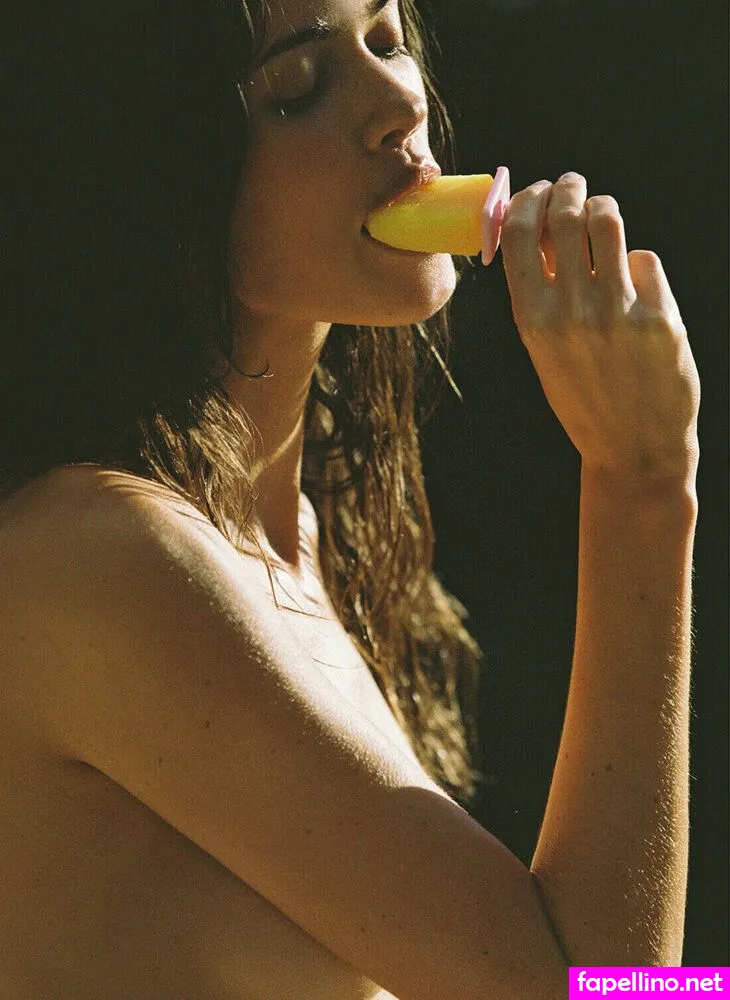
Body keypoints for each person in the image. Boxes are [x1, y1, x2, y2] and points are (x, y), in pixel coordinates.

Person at [0, 0, 699, 997]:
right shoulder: (95, 558)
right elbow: (600, 989)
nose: (399, 102)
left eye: (387, 39)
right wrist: (644, 484)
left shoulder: (305, 542)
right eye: (296, 88)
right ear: (155, 165)